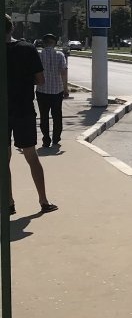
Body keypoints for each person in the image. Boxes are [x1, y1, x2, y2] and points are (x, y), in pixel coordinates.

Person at [5, 15, 56, 215]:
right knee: (31, 155)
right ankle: (43, 201)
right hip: (24, 109)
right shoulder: (27, 49)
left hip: (2, 111)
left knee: (4, 159)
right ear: (12, 28)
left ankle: (8, 202)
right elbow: (40, 80)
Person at [36, 33, 69, 148]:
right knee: (57, 115)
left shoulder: (38, 54)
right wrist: (65, 89)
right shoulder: (60, 55)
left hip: (42, 91)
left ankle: (46, 139)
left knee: (44, 116)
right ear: (54, 43)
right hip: (57, 91)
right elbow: (63, 73)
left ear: (43, 43)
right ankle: (56, 138)